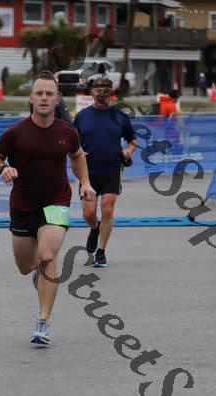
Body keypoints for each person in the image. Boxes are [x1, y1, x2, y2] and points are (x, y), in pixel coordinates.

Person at [0, 71, 96, 347]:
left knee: (48, 256)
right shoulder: (16, 132)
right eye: (39, 93)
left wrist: (85, 183)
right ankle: (39, 272)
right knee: (26, 266)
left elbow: (77, 156)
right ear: (31, 98)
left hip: (57, 202)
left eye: (49, 93)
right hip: (23, 205)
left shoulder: (67, 131)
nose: (44, 98)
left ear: (57, 99)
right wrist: (2, 169)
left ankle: (43, 321)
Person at [73, 77, 138, 267]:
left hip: (112, 169)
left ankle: (101, 252)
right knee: (89, 213)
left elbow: (133, 141)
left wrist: (128, 151)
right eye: (98, 91)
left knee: (108, 209)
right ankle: (95, 228)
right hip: (88, 173)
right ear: (91, 93)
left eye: (106, 91)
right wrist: (77, 153)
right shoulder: (82, 116)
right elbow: (72, 143)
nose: (102, 95)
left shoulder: (120, 116)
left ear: (112, 93)